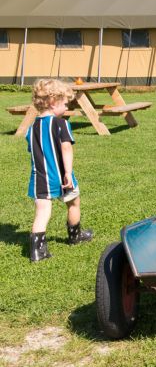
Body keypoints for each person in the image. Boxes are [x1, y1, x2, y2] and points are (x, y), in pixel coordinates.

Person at [26, 79, 93, 262]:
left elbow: (34, 151)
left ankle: (37, 252)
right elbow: (66, 148)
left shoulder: (31, 128)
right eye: (65, 103)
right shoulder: (60, 124)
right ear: (52, 101)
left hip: (39, 177)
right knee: (73, 203)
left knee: (42, 212)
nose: (66, 107)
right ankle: (75, 236)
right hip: (60, 177)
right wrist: (68, 173)